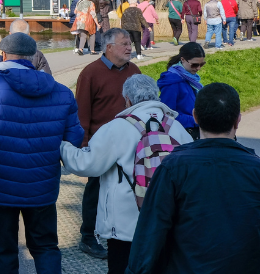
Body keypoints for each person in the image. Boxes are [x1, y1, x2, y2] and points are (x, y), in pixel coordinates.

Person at [0, 32, 83, 274]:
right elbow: (74, 138)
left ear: (3, 54)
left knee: (4, 249)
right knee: (46, 246)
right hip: (42, 185)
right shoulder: (61, 92)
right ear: (33, 56)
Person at [60, 75, 193, 274]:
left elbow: (86, 164)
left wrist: (63, 147)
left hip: (124, 227)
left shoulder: (118, 127)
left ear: (128, 100)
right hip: (167, 220)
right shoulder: (177, 128)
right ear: (155, 95)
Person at [126, 83, 260, 274]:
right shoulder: (256, 169)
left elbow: (150, 233)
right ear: (238, 120)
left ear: (195, 116)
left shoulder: (172, 168)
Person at [72, 27, 142, 259]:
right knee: (95, 190)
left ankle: (125, 233)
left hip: (131, 143)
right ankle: (88, 237)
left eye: (130, 43)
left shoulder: (134, 71)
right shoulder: (91, 73)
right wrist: (83, 147)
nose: (129, 47)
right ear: (109, 47)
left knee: (129, 189)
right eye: (124, 43)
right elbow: (81, 113)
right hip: (101, 144)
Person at [156, 42, 205, 140]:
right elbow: (167, 115)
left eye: (202, 64)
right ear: (182, 59)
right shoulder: (172, 82)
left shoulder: (191, 78)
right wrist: (196, 120)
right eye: (195, 65)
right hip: (182, 134)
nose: (198, 68)